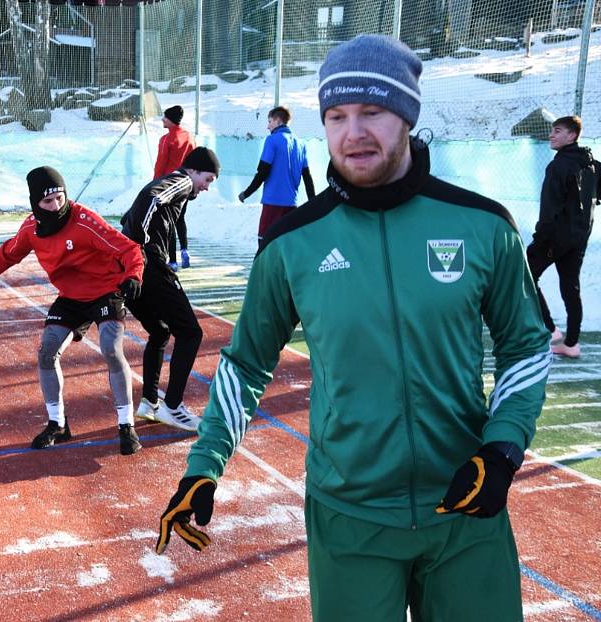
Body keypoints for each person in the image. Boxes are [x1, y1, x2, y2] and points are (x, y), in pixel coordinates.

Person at [156, 35, 552, 622]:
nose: (353, 132)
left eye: (373, 112)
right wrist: (205, 462)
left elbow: (525, 343)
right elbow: (245, 363)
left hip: (468, 508)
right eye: (336, 116)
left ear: (408, 117)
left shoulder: (482, 225)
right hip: (350, 516)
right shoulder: (293, 243)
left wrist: (503, 449)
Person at [0, 166, 146, 455]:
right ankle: (57, 424)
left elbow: (129, 249)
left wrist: (133, 276)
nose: (56, 206)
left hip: (105, 289)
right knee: (46, 352)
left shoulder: (84, 221)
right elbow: (5, 256)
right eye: (47, 202)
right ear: (35, 204)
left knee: (110, 349)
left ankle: (126, 425)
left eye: (60, 198)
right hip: (70, 296)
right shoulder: (31, 229)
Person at [121, 146, 220, 432]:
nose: (206, 187)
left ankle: (149, 401)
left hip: (134, 268)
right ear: (194, 170)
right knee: (191, 333)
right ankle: (174, 407)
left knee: (161, 331)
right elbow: (150, 199)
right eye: (208, 180)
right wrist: (142, 248)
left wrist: (172, 253)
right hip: (147, 266)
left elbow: (131, 215)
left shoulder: (180, 189)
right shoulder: (182, 180)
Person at [527, 115, 599, 359]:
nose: (551, 135)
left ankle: (551, 331)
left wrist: (539, 241)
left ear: (572, 135)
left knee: (525, 274)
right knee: (571, 287)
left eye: (557, 131)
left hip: (556, 238)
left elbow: (549, 209)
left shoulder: (558, 166)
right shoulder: (590, 163)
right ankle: (571, 344)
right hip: (578, 238)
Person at [237, 106, 315, 242]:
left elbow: (262, 172)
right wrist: (313, 202)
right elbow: (307, 177)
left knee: (265, 242)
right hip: (292, 204)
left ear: (278, 121)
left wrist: (247, 193)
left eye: (269, 122)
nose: (268, 126)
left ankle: (264, 264)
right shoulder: (301, 144)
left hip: (273, 202)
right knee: (286, 242)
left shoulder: (272, 140)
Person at [154, 105, 196, 270]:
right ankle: (185, 250)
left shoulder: (166, 139)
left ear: (170, 120)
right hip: (186, 183)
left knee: (169, 221)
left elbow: (160, 164)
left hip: (169, 186)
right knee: (181, 218)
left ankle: (172, 260)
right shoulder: (189, 137)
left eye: (164, 117)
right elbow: (194, 161)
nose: (162, 120)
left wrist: (155, 185)